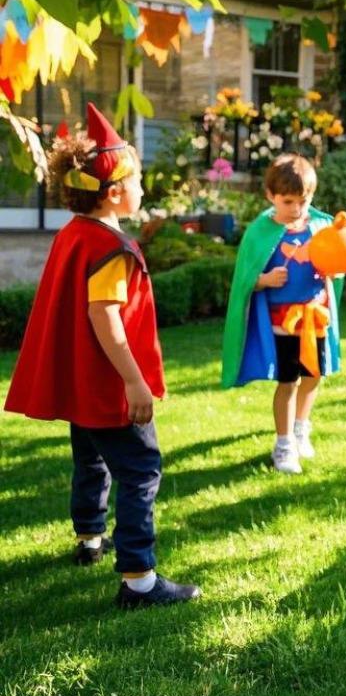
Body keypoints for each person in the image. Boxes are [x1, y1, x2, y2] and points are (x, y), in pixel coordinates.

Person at [4, 103, 200, 609]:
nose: (143, 189)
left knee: (91, 459)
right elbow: (104, 315)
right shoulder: (111, 249)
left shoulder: (74, 234)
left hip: (82, 383)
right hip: (108, 384)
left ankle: (90, 537)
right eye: (138, 181)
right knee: (141, 469)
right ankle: (139, 579)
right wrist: (134, 381)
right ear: (113, 193)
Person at [221, 153, 342, 474]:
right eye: (288, 201)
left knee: (314, 376)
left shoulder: (320, 227)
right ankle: (284, 444)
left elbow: (336, 263)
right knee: (288, 381)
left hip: (315, 317)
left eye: (304, 200)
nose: (297, 209)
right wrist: (263, 280)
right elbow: (244, 279)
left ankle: (301, 427)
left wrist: (334, 267)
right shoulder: (260, 232)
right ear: (270, 196)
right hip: (283, 323)